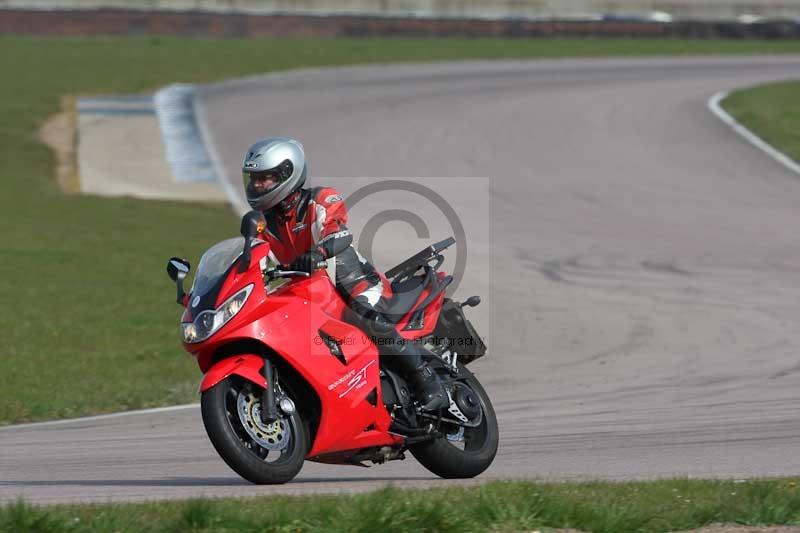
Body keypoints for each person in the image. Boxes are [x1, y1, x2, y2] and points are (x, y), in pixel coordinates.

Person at [242, 137, 448, 411]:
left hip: (355, 285)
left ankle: (427, 382)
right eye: (254, 179)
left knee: (364, 316)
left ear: (287, 174)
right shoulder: (262, 226)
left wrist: (320, 252)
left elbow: (339, 233)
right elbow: (252, 261)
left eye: (264, 178)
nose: (256, 186)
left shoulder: (321, 199)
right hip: (312, 296)